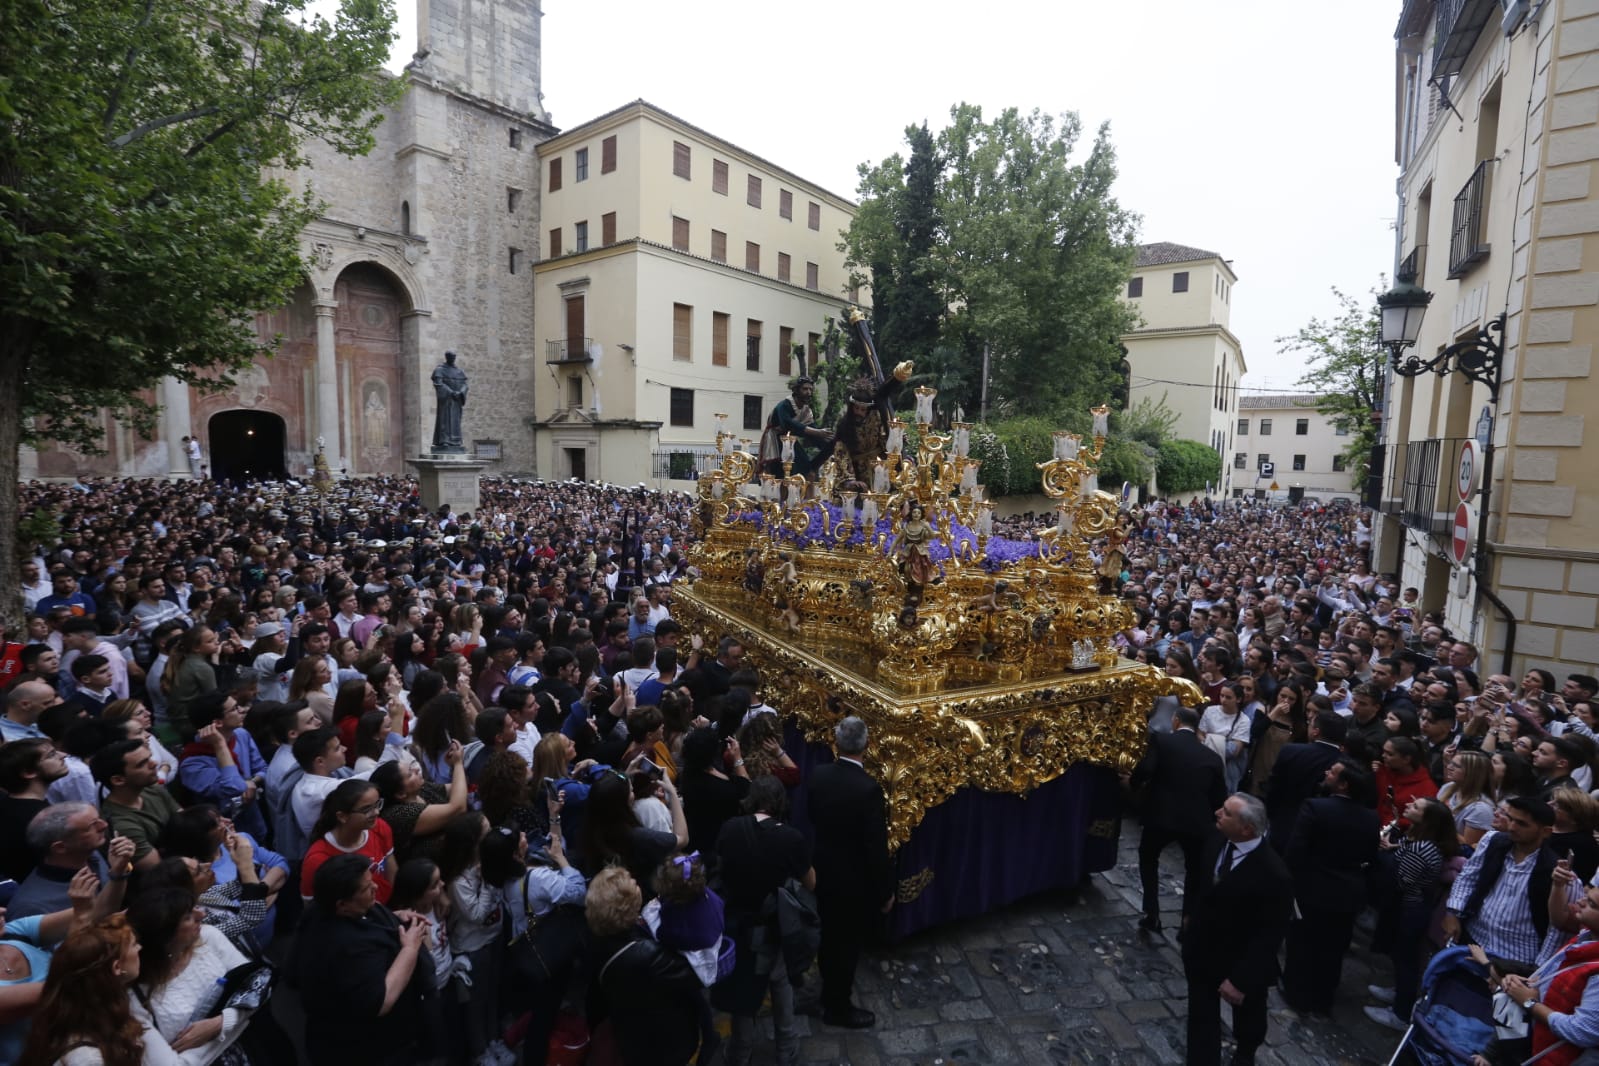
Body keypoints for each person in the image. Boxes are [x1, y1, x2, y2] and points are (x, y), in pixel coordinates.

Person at [1181, 793, 1293, 1066]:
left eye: (1227, 812)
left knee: (1249, 1019)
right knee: (1201, 1018)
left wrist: (1241, 980)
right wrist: (1188, 915)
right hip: (1201, 952)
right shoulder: (1216, 838)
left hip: (1239, 961)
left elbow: (1269, 935)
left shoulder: (1275, 874)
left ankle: (1244, 1055)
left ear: (1247, 829)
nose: (1218, 813)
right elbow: (1197, 878)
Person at [714, 774, 814, 1066]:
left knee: (743, 988)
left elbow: (722, 867)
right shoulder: (791, 838)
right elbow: (811, 882)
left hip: (737, 922)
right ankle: (786, 1047)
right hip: (774, 923)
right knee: (780, 981)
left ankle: (740, 1050)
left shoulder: (730, 829)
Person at [293, 852, 427, 1066]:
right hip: (363, 1049)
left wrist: (394, 919)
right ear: (342, 905)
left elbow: (292, 973)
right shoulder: (349, 947)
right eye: (366, 888)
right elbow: (381, 1002)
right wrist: (410, 949)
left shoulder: (318, 912)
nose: (375, 887)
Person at [806, 716, 892, 1029]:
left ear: (837, 742)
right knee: (846, 944)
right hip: (853, 880)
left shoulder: (819, 775)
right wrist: (885, 892)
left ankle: (828, 993)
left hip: (823, 867)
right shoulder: (868, 789)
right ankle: (838, 1006)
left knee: (829, 936)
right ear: (866, 746)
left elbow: (812, 816)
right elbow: (875, 847)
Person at [1281, 758, 1380, 1013]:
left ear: (1344, 784)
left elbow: (1296, 851)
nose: (1326, 773)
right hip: (1347, 892)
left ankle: (1296, 992)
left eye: (1333, 772)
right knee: (1334, 949)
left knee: (1302, 942)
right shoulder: (1371, 818)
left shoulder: (1315, 807)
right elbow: (1369, 855)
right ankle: (1323, 998)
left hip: (1312, 887)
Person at [584, 866, 703, 1066]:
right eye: (633, 884)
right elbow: (695, 974)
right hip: (662, 1041)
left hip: (628, 1034)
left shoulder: (597, 938)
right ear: (626, 907)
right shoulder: (646, 954)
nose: (638, 884)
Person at [124, 886, 258, 1064]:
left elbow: (258, 985)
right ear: (165, 936)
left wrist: (220, 1024)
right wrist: (237, 1024)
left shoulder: (208, 937)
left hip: (245, 1051)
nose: (201, 915)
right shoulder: (135, 996)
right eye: (188, 917)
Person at [1445, 796, 1577, 972]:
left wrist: (1539, 967)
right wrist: (1453, 911)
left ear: (1545, 831)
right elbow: (1469, 876)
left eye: (1522, 824)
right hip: (1473, 939)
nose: (1512, 827)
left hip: (1516, 959)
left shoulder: (1559, 874)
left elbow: (1557, 931)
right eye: (1511, 819)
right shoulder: (1493, 841)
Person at [1128, 704, 1227, 936]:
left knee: (1148, 858)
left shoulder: (1162, 741)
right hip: (1196, 822)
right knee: (1194, 870)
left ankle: (1151, 911)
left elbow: (1145, 770)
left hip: (1161, 815)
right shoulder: (1211, 757)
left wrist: (1133, 785)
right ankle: (1187, 920)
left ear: (1175, 721)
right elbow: (1218, 798)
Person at [1365, 796, 1459, 1031]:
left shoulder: (1422, 848)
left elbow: (1403, 880)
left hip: (1409, 908)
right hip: (1410, 906)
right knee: (1401, 956)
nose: (1409, 806)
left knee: (1405, 959)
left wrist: (1384, 859)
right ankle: (1397, 992)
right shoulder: (1420, 841)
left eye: (1416, 807)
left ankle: (1400, 1012)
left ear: (1427, 819)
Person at [15, 915, 147, 1066]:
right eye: (134, 944)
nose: (140, 948)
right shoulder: (88, 1059)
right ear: (116, 967)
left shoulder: (76, 1018)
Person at [300, 778, 397, 903]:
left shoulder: (380, 827)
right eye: (367, 809)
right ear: (342, 816)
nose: (376, 812)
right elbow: (311, 905)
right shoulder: (318, 859)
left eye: (377, 804)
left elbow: (391, 870)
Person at [758, 375, 831, 478]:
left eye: (811, 389)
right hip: (777, 441)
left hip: (791, 442)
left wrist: (829, 443)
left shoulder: (806, 411)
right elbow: (788, 424)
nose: (808, 392)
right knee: (779, 472)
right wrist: (817, 432)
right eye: (805, 389)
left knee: (807, 469)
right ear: (796, 390)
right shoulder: (784, 405)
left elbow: (813, 431)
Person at [431, 350, 469, 452]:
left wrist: (461, 392)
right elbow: (438, 383)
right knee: (445, 420)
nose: (453, 359)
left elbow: (465, 384)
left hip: (457, 401)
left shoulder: (459, 371)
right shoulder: (439, 370)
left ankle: (456, 441)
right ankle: (444, 440)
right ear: (447, 357)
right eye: (451, 357)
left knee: (456, 421)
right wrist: (451, 392)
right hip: (446, 400)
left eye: (454, 357)